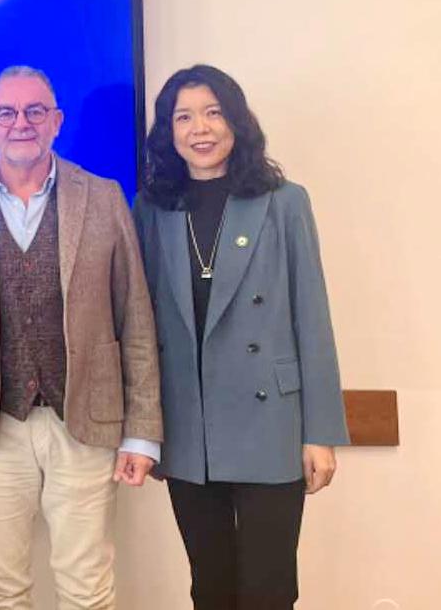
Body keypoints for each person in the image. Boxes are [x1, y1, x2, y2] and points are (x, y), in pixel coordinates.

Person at [0, 64, 162, 610]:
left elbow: (136, 318)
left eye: (35, 111)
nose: (21, 123)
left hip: (84, 423)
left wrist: (142, 433)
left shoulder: (104, 197)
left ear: (57, 121)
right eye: (6, 112)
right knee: (0, 589)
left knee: (87, 587)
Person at [134, 64, 348, 610]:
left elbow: (312, 318)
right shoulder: (153, 209)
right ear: (168, 131)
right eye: (184, 117)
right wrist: (144, 428)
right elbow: (140, 325)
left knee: (269, 590)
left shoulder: (284, 201)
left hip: (270, 422)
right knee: (209, 586)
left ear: (236, 120)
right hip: (189, 427)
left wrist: (320, 432)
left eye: (213, 112)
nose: (200, 128)